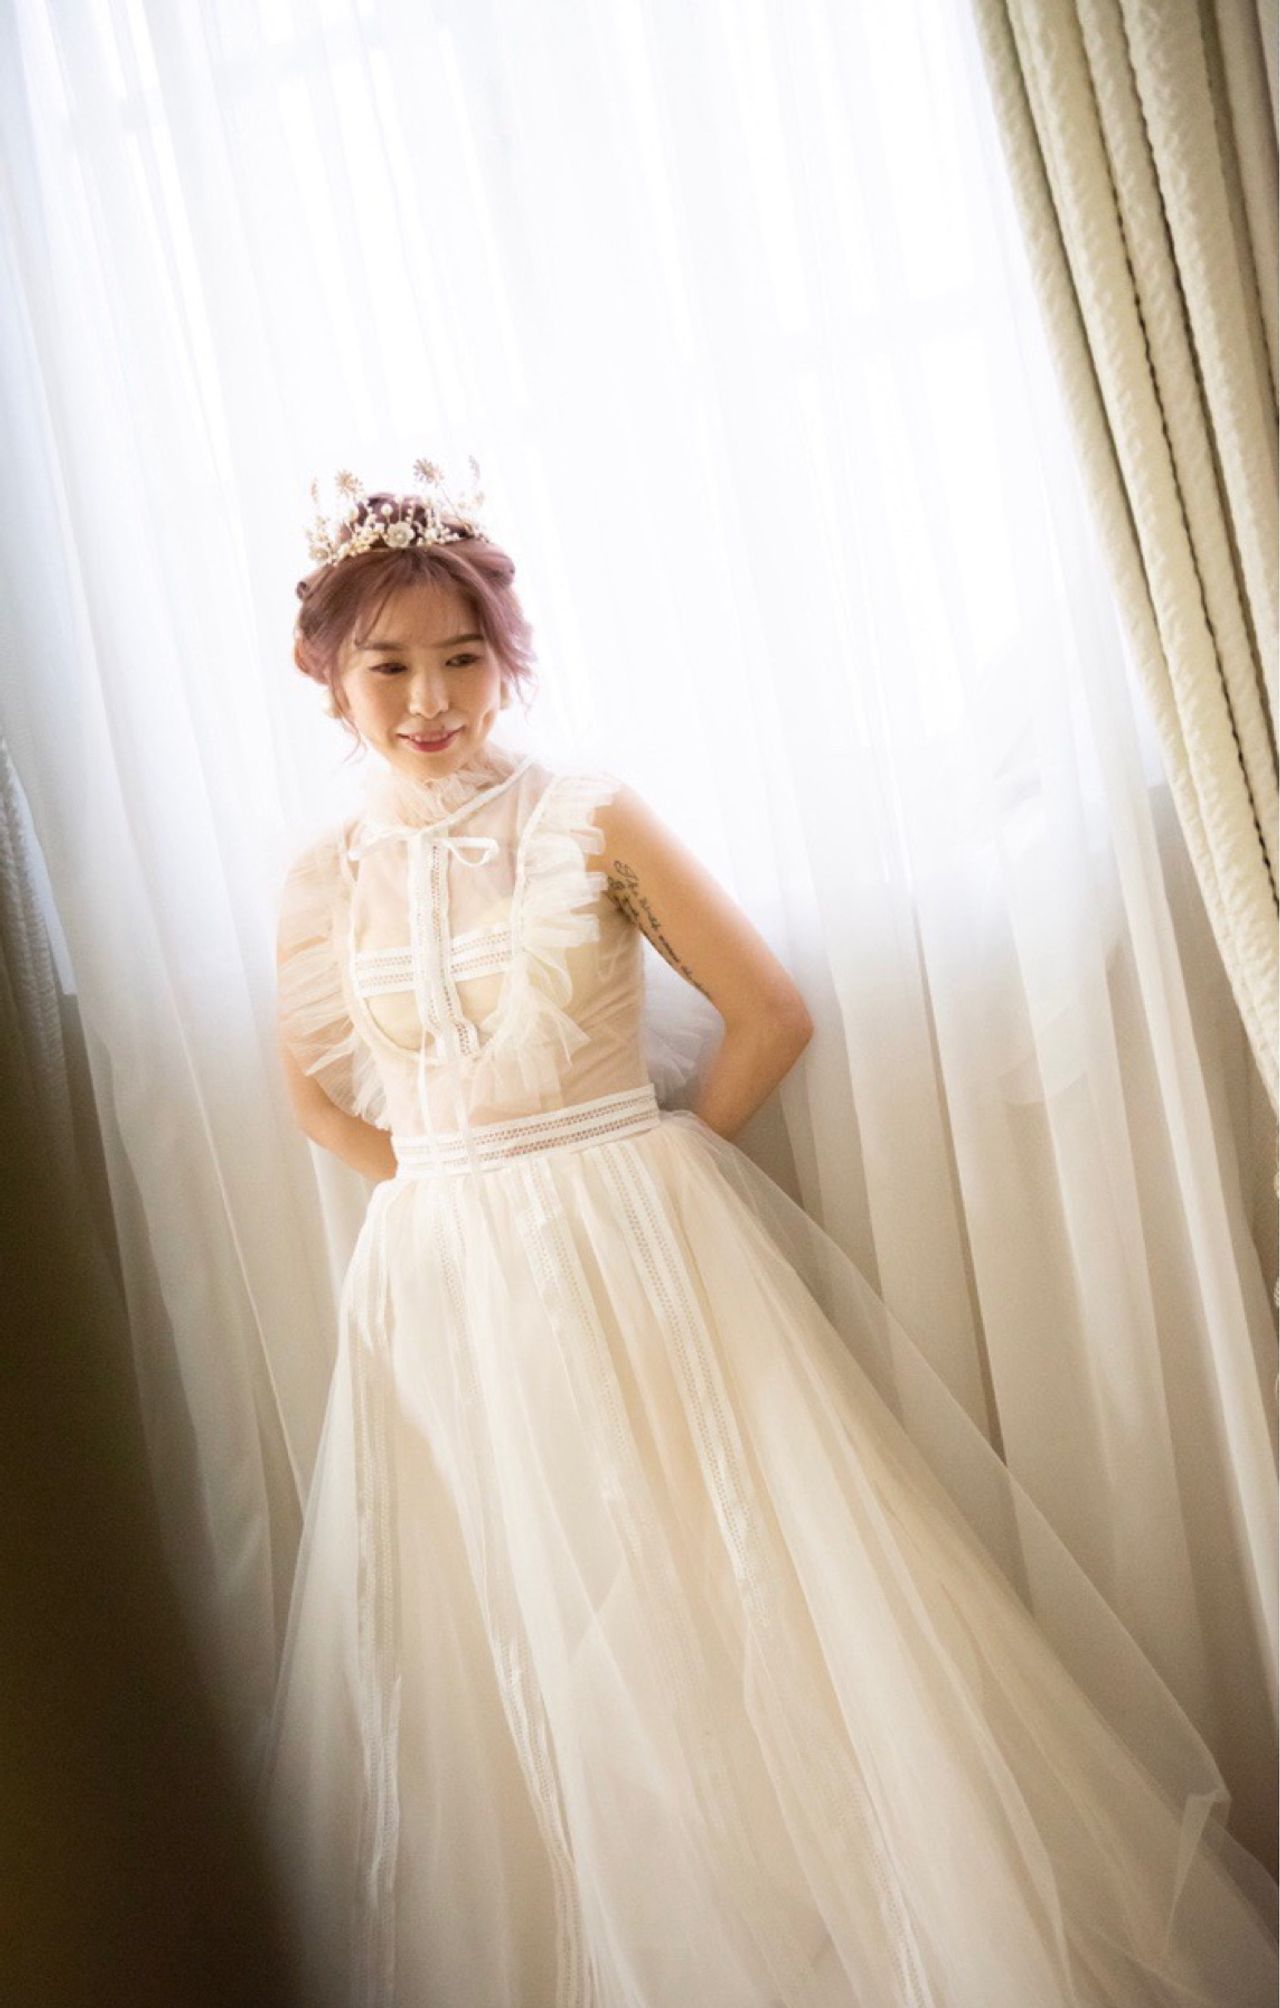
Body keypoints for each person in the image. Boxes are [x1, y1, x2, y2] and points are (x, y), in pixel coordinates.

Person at [257, 460, 1278, 2008]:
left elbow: (769, 1015)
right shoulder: (318, 878)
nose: (430, 699)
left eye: (462, 657)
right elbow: (317, 1103)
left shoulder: (587, 817)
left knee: (717, 1584)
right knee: (522, 1622)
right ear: (324, 674)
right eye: (387, 666)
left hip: (637, 1233)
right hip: (445, 1275)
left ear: (506, 659)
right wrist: (453, 1189)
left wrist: (645, 1169)